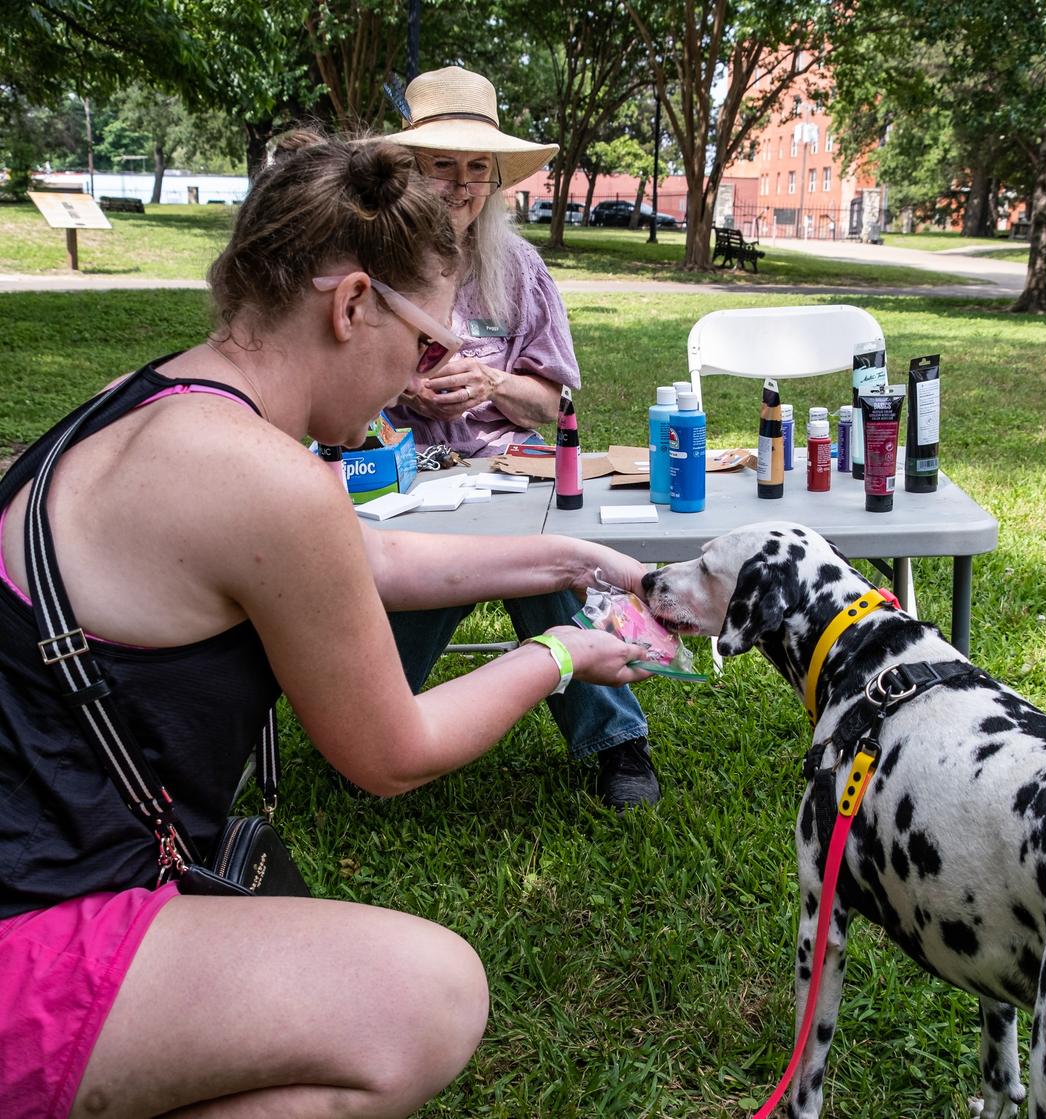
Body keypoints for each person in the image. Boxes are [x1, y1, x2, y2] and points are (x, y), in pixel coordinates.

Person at [0, 134, 653, 1118]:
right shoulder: (270, 482)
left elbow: (365, 560)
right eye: (427, 343)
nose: (425, 373)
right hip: (33, 929)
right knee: (426, 999)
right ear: (351, 306)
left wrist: (571, 560)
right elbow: (392, 752)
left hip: (40, 864)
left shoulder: (146, 401)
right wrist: (560, 652)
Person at [383, 66, 660, 810]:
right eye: (443, 164)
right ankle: (377, 724)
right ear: (411, 169)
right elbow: (329, 393)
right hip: (403, 480)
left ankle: (617, 741)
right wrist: (399, 386)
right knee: (432, 565)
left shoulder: (519, 267)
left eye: (479, 169)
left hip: (506, 472)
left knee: (545, 563)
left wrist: (492, 384)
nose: (462, 184)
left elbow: (550, 401)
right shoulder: (372, 263)